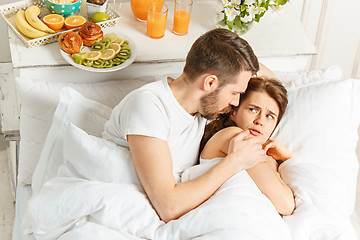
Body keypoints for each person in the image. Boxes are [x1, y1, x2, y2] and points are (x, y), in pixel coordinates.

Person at [103, 28, 270, 223]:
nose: (235, 102)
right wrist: (234, 162)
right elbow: (169, 207)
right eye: (234, 93)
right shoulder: (149, 106)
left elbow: (271, 81)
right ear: (209, 83)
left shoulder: (202, 106)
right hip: (121, 206)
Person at [199, 76, 295, 216]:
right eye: (253, 110)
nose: (260, 121)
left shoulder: (269, 155)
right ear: (233, 112)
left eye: (269, 116)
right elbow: (285, 204)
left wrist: (287, 158)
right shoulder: (232, 136)